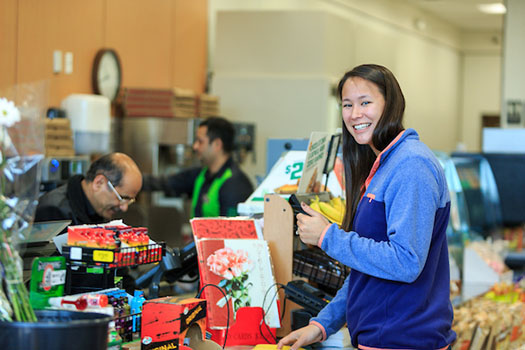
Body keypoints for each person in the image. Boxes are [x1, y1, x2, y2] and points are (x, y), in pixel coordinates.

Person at [278, 64, 456, 349]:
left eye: (365, 102)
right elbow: (369, 271)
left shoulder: (411, 165)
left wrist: (328, 237)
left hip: (405, 339)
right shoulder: (382, 166)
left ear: (391, 105)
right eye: (347, 105)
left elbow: (405, 261)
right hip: (382, 338)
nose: (355, 114)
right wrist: (323, 323)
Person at [143, 116, 253, 217]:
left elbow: (231, 231)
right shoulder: (201, 175)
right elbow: (165, 183)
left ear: (217, 144)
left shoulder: (235, 184)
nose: (195, 146)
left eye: (200, 142)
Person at [35, 152, 143, 225]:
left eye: (129, 201)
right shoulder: (54, 212)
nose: (124, 208)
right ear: (99, 183)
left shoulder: (100, 210)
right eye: (122, 198)